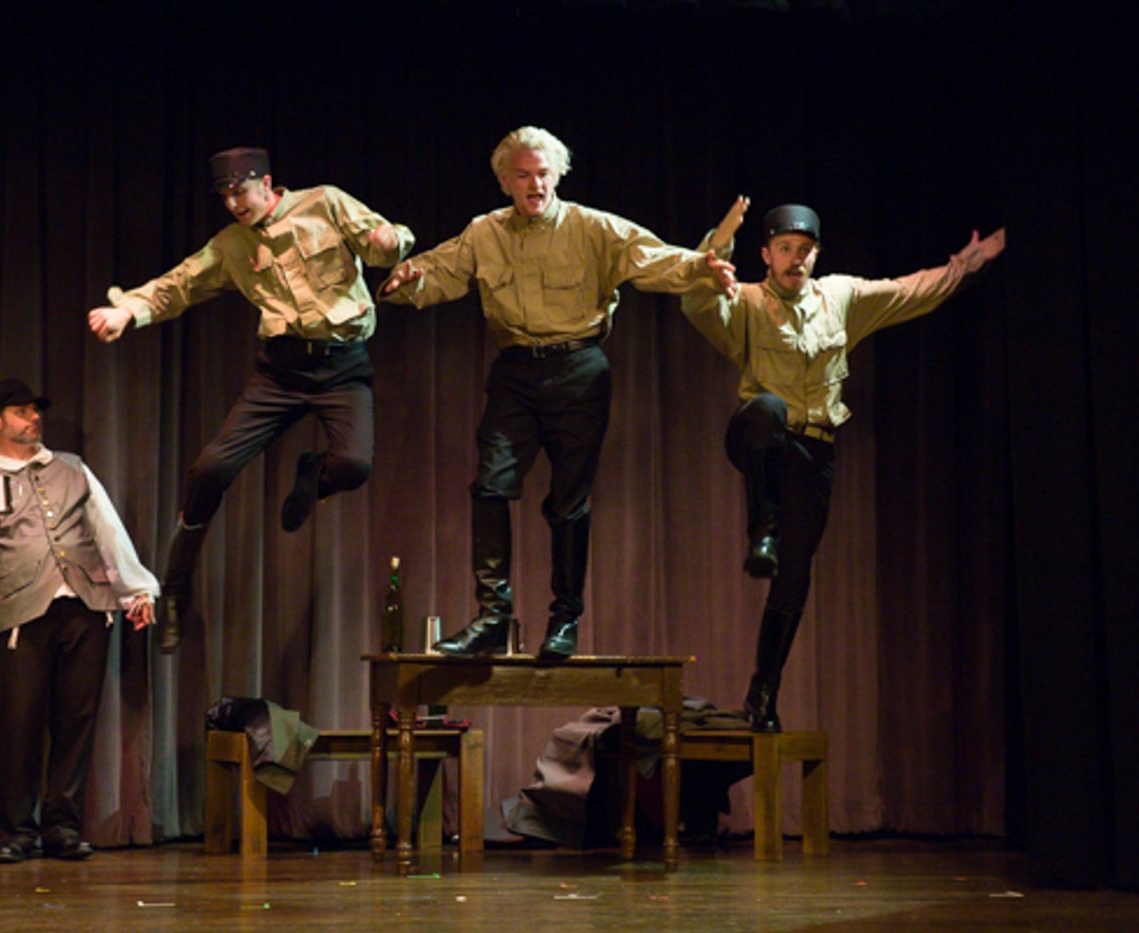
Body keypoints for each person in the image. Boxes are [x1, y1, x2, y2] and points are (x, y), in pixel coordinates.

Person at [381, 126, 735, 660]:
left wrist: (702, 267)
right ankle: (493, 617)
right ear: (505, 181)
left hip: (579, 371)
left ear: (558, 175)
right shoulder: (486, 232)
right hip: (516, 371)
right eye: (523, 175)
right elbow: (443, 270)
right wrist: (406, 283)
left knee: (569, 503)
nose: (535, 184)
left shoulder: (594, 228)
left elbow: (655, 260)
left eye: (543, 173)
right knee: (491, 486)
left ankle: (564, 620)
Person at [682, 196, 1006, 731]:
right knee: (766, 408)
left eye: (805, 250)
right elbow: (696, 303)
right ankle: (761, 531)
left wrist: (971, 261)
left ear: (816, 255)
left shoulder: (842, 297)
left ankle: (763, 693)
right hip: (759, 440)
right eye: (785, 249)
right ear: (765, 253)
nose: (796, 259)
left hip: (814, 452)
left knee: (794, 579)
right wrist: (716, 246)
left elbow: (910, 291)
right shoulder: (743, 300)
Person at [87, 147, 414, 653]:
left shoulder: (324, 203)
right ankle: (174, 587)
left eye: (241, 191)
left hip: (342, 364)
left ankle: (313, 474)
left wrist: (389, 242)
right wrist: (128, 311)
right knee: (210, 469)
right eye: (225, 196)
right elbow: (180, 284)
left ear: (267, 183)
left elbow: (382, 244)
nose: (234, 203)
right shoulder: (231, 245)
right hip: (280, 373)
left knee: (352, 465)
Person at [0, 379, 158, 863]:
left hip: (87, 607)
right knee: (17, 724)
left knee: (76, 720)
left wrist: (136, 590)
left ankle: (62, 827)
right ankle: (15, 830)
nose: (33, 418)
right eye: (22, 411)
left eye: (35, 410)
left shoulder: (71, 468)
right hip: (21, 614)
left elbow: (107, 529)